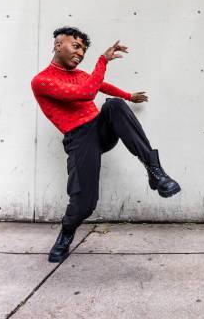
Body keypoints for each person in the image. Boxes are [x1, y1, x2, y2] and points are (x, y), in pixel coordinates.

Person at [31, 26, 181, 263]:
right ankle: (67, 233)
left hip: (100, 131)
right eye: (76, 46)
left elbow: (103, 87)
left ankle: (155, 172)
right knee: (85, 203)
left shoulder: (81, 75)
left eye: (84, 50)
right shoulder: (41, 81)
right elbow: (86, 93)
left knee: (114, 105)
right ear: (58, 45)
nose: (80, 53)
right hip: (79, 139)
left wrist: (129, 96)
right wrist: (102, 60)